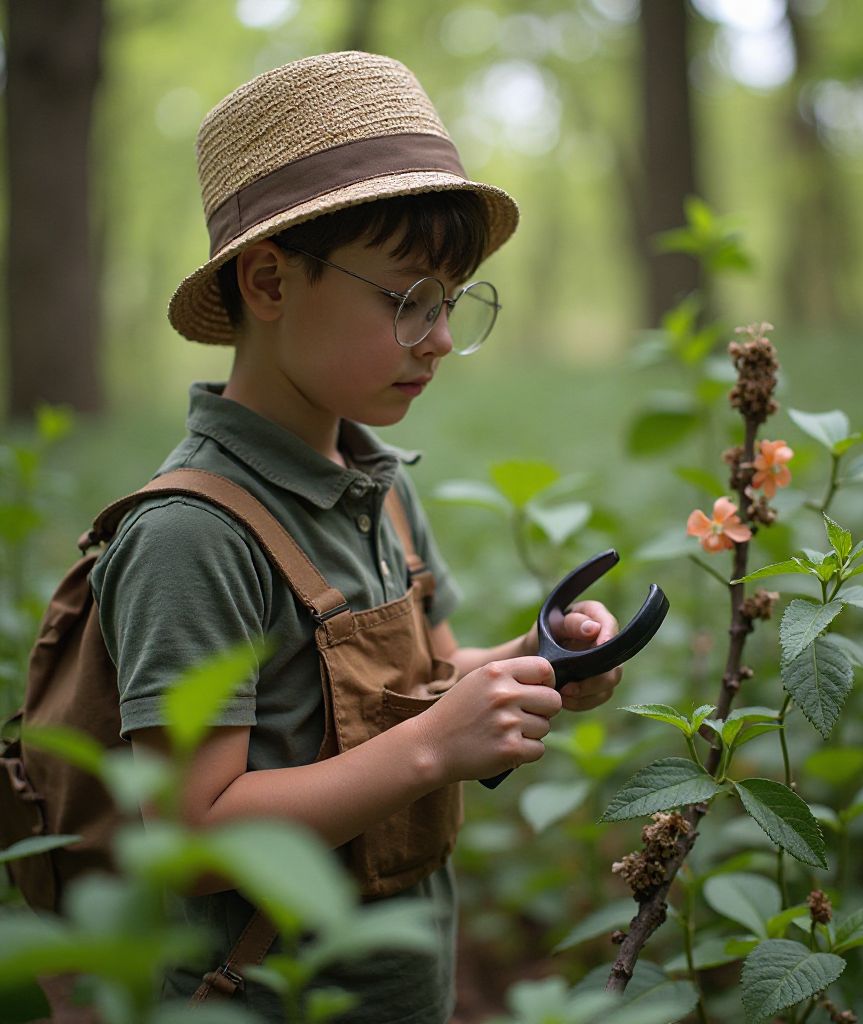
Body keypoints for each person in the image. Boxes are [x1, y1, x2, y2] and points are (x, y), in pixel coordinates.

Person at [90, 51, 624, 1023]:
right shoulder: (190, 536)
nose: (441, 338)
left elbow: (429, 675)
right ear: (269, 280)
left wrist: (533, 663)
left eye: (452, 301)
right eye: (407, 298)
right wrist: (433, 748)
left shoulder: (378, 485)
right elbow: (191, 836)